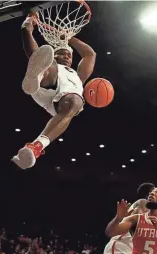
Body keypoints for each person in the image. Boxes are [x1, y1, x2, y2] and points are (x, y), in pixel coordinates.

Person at [12, 15, 96, 169]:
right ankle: (37, 76)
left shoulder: (78, 75)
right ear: (56, 55)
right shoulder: (54, 64)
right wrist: (27, 27)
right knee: (47, 62)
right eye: (63, 53)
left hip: (62, 101)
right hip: (46, 83)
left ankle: (36, 147)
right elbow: (42, 56)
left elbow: (90, 54)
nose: (67, 56)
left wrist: (69, 38)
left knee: (76, 101)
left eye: (69, 55)